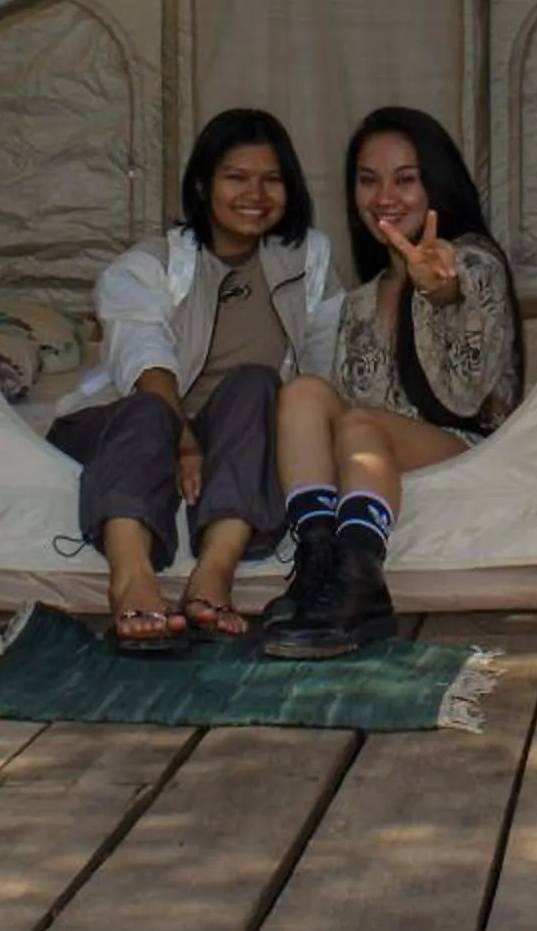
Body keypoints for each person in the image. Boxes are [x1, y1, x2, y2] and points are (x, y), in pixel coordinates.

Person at [50, 110, 341, 653]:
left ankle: (215, 570)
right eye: (236, 177)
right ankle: (132, 579)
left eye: (271, 179)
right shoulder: (149, 264)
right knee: (149, 410)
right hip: (131, 418)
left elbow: (323, 368)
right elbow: (144, 358)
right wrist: (183, 438)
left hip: (233, 425)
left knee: (259, 384)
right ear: (204, 184)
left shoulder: (308, 260)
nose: (254, 193)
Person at [260, 107, 525, 661]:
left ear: (436, 183)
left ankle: (361, 581)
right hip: (375, 446)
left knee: (357, 422)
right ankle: (316, 564)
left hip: (467, 443)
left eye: (406, 179)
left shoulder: (471, 262)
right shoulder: (359, 300)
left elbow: (467, 396)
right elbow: (350, 412)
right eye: (368, 179)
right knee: (303, 392)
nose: (385, 196)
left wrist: (438, 292)